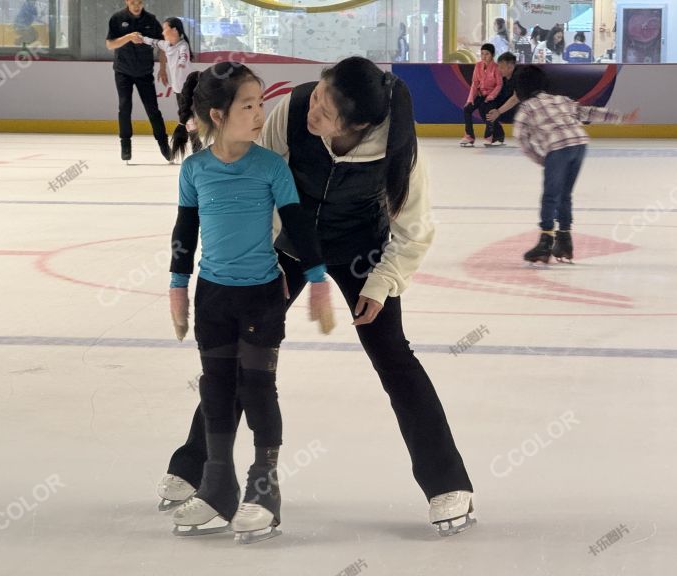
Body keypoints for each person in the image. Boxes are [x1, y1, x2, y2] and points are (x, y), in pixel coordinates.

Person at [159, 56, 476, 538]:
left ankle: (447, 484)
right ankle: (194, 466)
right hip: (287, 240)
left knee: (393, 355)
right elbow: (253, 185)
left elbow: (413, 230)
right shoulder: (295, 109)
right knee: (247, 353)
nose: (315, 109)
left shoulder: (398, 149)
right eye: (320, 94)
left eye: (327, 111)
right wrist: (265, 264)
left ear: (359, 124)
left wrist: (379, 283)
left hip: (360, 250)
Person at [167, 62, 335, 544]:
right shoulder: (195, 170)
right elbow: (185, 232)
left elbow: (298, 225)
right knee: (216, 389)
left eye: (261, 104)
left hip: (263, 295)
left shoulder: (270, 167)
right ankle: (217, 485)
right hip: (213, 296)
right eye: (249, 106)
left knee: (258, 390)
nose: (260, 113)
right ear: (218, 115)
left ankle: (264, 491)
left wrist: (318, 278)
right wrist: (178, 287)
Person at [513, 66, 638, 264]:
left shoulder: (527, 108)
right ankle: (564, 240)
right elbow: (588, 112)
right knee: (564, 194)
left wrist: (541, 159)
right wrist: (620, 118)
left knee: (550, 195)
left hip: (558, 147)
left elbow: (521, 139)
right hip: (579, 143)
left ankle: (545, 241)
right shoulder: (560, 99)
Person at [105, 0, 171, 163]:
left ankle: (164, 145)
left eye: (139, 2)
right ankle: (125, 144)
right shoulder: (117, 18)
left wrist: (163, 68)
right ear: (127, 1)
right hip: (123, 71)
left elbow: (162, 46)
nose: (136, 6)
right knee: (124, 106)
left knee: (153, 109)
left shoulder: (150, 20)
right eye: (133, 2)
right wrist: (128, 37)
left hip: (144, 72)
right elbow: (110, 44)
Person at [139, 17, 202, 161]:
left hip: (189, 88)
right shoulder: (167, 45)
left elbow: (184, 56)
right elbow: (153, 42)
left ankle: (197, 145)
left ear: (174, 30)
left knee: (188, 118)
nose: (162, 32)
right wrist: (141, 38)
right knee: (188, 119)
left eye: (164, 28)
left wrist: (181, 63)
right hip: (178, 90)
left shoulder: (183, 46)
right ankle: (197, 145)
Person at [460, 43, 502, 147]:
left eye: (487, 54)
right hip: (480, 95)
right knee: (467, 109)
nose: (484, 56)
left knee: (487, 110)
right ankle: (469, 136)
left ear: (492, 55)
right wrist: (470, 99)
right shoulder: (478, 66)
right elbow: (474, 83)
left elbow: (499, 84)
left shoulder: (496, 68)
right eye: (482, 53)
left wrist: (491, 96)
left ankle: (489, 136)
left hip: (492, 96)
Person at [485, 52, 520, 144]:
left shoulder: (519, 76)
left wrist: (498, 112)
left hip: (521, 111)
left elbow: (515, 99)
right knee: (485, 105)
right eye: (498, 67)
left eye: (501, 67)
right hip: (507, 109)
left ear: (511, 67)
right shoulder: (501, 78)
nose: (499, 70)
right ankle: (497, 134)